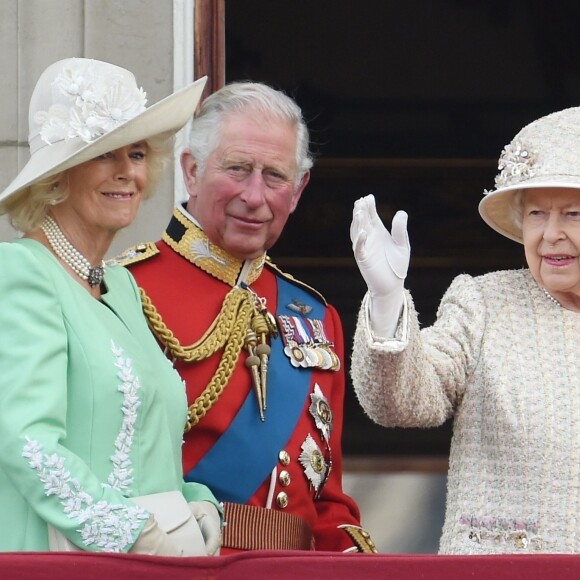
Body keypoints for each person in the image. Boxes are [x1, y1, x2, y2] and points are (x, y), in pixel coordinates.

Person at [117, 81, 376, 553]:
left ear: (298, 192)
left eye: (275, 176)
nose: (255, 196)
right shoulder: (125, 292)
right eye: (237, 169)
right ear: (191, 171)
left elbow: (327, 505)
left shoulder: (317, 318)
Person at [0, 57, 223, 555]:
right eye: (105, 155)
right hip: (61, 558)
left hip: (151, 561)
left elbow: (146, 441)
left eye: (138, 155)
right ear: (58, 177)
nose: (127, 173)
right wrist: (131, 534)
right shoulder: (19, 272)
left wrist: (194, 501)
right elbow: (28, 444)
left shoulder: (121, 286)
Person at [349, 106, 580, 554]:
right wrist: (386, 300)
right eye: (536, 214)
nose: (551, 233)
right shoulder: (484, 304)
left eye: (572, 214)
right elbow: (403, 402)